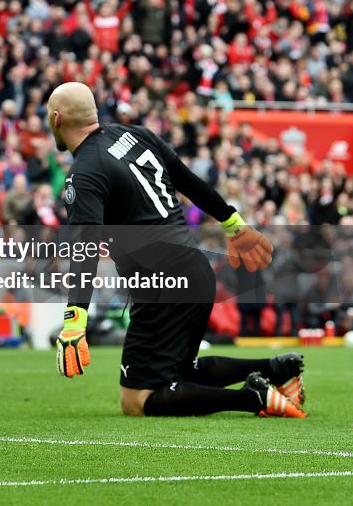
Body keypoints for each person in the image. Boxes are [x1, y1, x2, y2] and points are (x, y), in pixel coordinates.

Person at [46, 82, 306, 418]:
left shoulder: (84, 174)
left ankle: (254, 398)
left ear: (56, 119)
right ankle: (277, 369)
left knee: (137, 400)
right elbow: (188, 180)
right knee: (183, 370)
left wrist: (74, 319)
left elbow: (85, 249)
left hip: (161, 286)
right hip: (194, 271)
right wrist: (234, 223)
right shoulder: (136, 134)